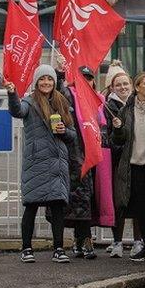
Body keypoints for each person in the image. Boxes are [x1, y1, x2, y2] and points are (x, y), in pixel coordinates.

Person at [6, 65, 76, 264]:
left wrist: (63, 131)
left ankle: (59, 249)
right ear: (36, 82)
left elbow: (73, 135)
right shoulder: (29, 101)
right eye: (42, 79)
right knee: (31, 205)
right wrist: (12, 93)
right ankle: (26, 249)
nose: (46, 83)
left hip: (57, 163)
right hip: (36, 162)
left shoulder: (62, 103)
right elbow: (17, 111)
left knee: (57, 207)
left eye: (50, 79)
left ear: (55, 82)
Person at [110, 72, 145, 263]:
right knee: (141, 208)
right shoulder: (126, 110)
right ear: (137, 87)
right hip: (134, 165)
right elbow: (117, 140)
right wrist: (118, 129)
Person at [55, 65, 100, 260]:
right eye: (82, 79)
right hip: (75, 155)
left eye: (89, 79)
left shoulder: (99, 101)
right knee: (78, 199)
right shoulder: (70, 97)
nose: (86, 82)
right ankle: (82, 239)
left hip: (97, 154)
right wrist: (59, 73)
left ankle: (84, 238)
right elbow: (58, 92)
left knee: (90, 199)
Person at [103, 65, 133, 257]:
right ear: (112, 88)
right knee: (118, 202)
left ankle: (140, 242)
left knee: (137, 202)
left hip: (136, 159)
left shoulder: (137, 104)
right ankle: (117, 241)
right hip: (117, 160)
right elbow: (108, 136)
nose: (123, 87)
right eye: (118, 84)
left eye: (125, 84)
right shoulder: (108, 106)